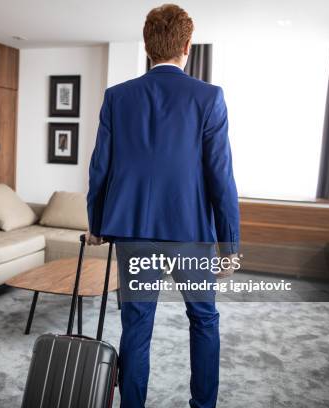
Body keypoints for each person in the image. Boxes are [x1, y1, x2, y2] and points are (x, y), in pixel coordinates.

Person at [86, 4, 240, 408]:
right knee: (204, 320)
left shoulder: (117, 97)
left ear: (147, 47)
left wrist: (97, 224)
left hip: (133, 229)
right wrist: (230, 245)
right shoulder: (209, 97)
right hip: (191, 231)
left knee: (136, 326)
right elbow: (220, 177)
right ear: (187, 46)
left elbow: (100, 167)